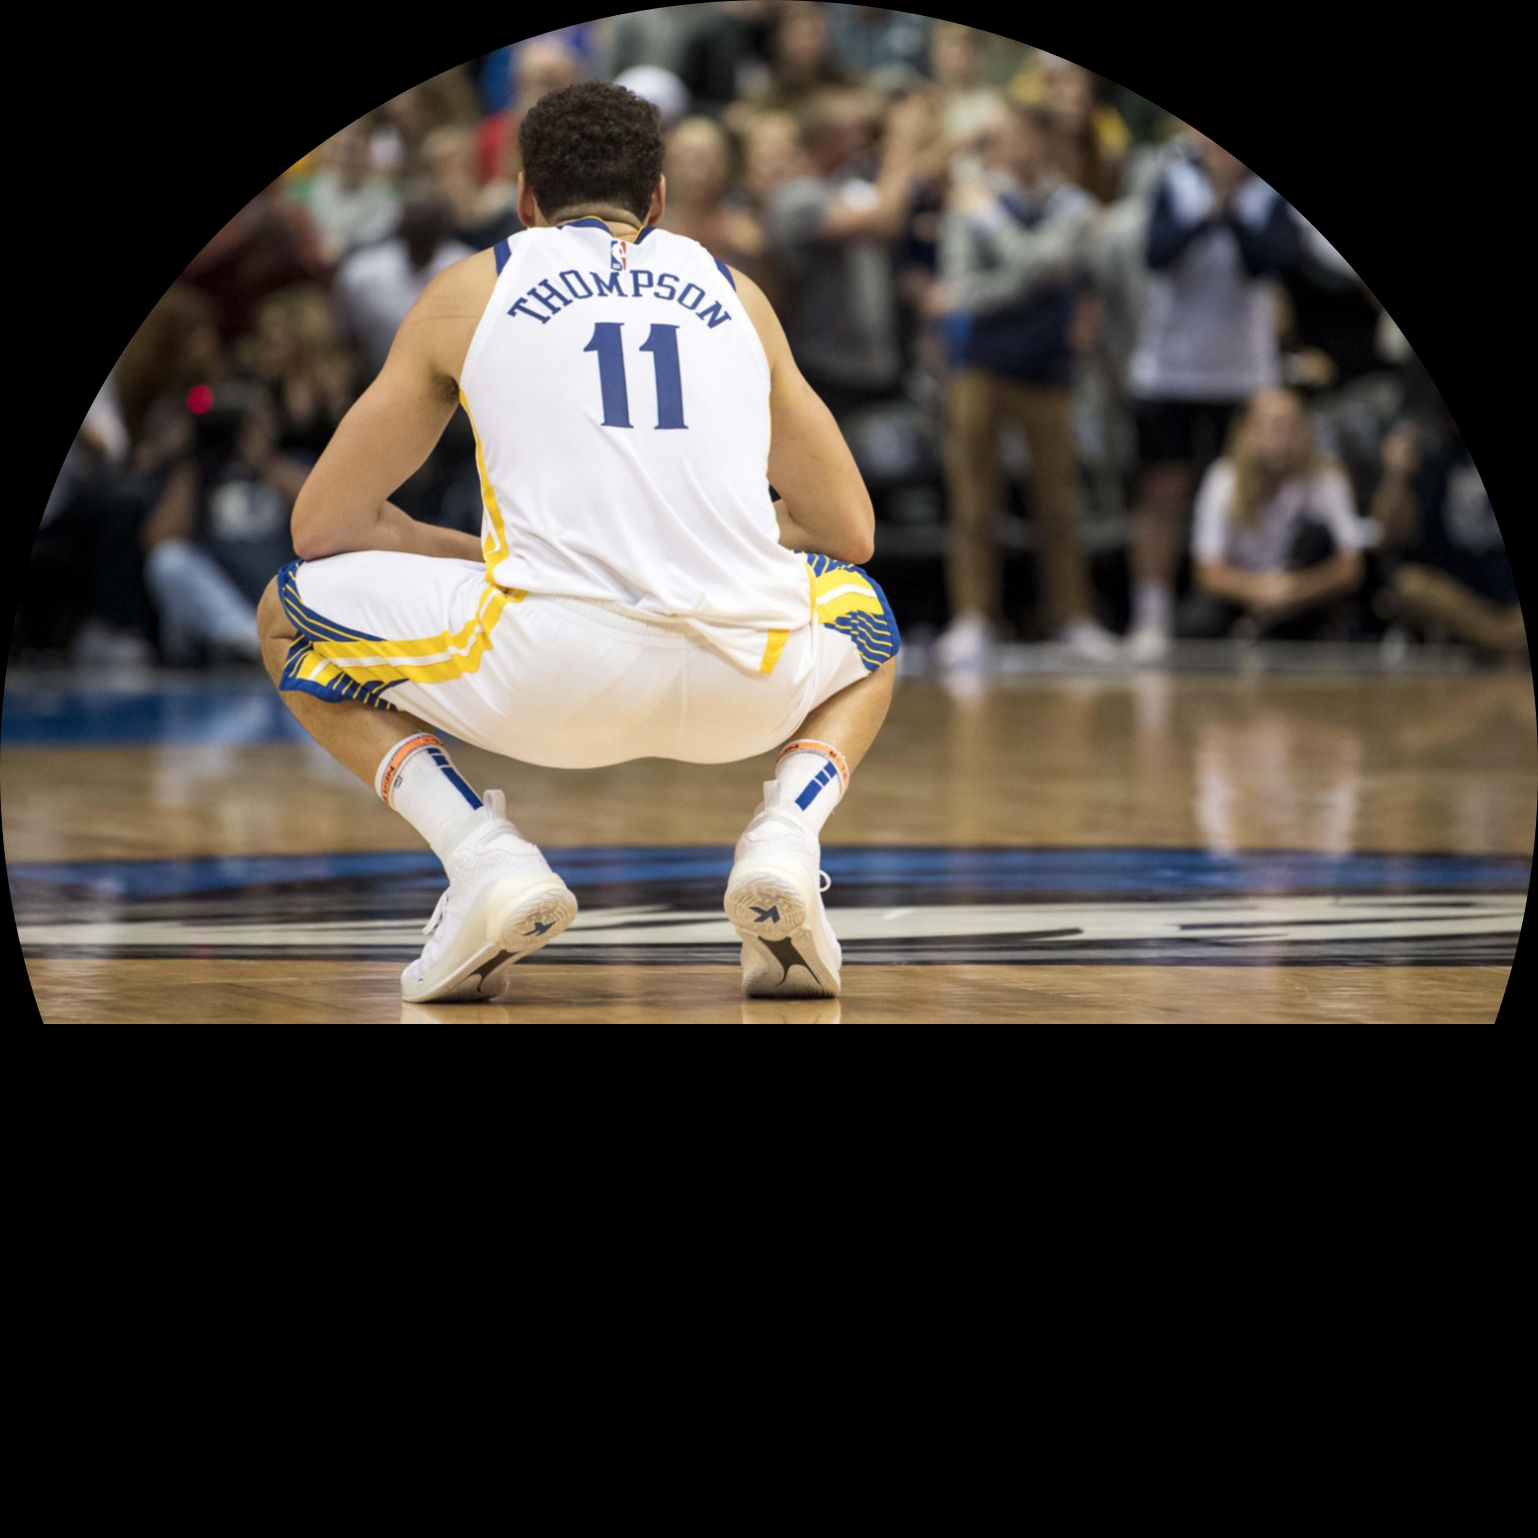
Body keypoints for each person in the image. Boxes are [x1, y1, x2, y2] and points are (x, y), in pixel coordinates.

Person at [256, 81, 897, 1004]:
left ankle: (484, 858)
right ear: (659, 198)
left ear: (525, 197)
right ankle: (786, 841)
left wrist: (486, 556)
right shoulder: (738, 295)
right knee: (865, 618)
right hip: (745, 681)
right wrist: (722, 535)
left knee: (288, 614)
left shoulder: (470, 291)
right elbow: (848, 530)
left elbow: (325, 527)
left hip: (550, 678)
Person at [930, 101, 1116, 663]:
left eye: (1023, 135)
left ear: (1045, 140)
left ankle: (1072, 618)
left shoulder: (1073, 206)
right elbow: (960, 288)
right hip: (979, 367)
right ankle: (973, 618)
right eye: (1005, 136)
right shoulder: (969, 201)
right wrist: (1026, 275)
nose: (1012, 146)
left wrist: (995, 228)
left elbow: (1043, 264)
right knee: (973, 503)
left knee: (1059, 505)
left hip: (1049, 372)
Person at [1123, 130, 1301, 660]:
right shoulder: (1173, 182)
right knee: (1164, 494)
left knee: (1248, 491)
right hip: (1170, 370)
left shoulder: (1267, 197)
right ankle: (1151, 615)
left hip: (1243, 373)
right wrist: (1208, 212)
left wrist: (1231, 212)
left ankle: (1247, 612)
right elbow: (1156, 253)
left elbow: (1270, 263)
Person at [1184, 388, 1367, 639]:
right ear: (1247, 432)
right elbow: (1207, 572)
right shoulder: (1223, 479)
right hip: (1242, 595)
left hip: (1306, 597)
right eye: (1272, 426)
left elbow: (1351, 568)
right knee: (1196, 621)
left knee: (1318, 536)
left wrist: (1295, 592)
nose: (1281, 438)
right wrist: (1261, 591)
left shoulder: (1327, 479)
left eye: (1291, 426)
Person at [1369, 409, 1522, 655]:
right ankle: (1506, 643)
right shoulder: (1433, 459)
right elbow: (1386, 536)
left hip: (1509, 598)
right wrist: (1396, 474)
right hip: (1454, 596)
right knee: (1409, 585)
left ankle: (1499, 642)